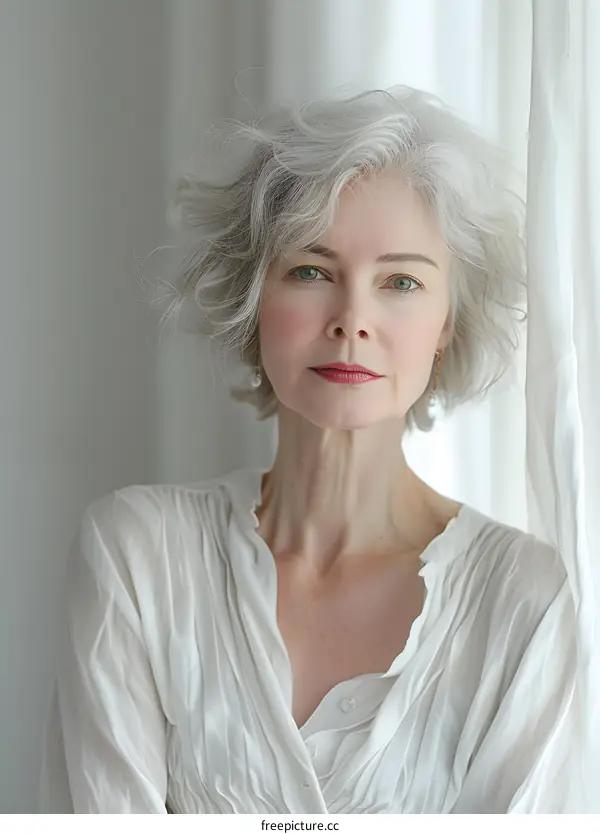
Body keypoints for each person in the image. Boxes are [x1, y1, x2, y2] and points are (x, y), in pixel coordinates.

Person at [39, 86, 580, 814]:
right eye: (312, 271)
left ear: (448, 322)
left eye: (400, 282)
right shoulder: (138, 557)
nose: (352, 319)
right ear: (253, 296)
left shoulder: (526, 599)